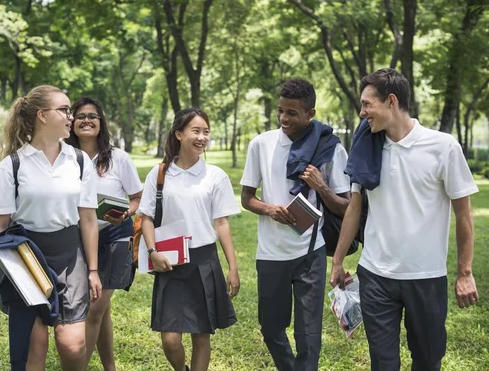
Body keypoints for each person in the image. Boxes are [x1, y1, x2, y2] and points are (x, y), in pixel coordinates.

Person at [330, 68, 480, 371]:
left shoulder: (443, 146)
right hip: (375, 276)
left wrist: (464, 272)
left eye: (367, 104)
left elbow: (463, 213)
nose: (362, 113)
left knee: (427, 360)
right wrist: (336, 261)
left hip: (425, 277)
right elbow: (354, 209)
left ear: (391, 101)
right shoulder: (366, 147)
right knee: (383, 364)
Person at [240, 78, 350, 371]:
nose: (283, 118)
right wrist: (269, 209)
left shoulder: (330, 148)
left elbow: (347, 206)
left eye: (292, 113)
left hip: (310, 252)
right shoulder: (261, 144)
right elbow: (247, 198)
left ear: (310, 114)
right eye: (280, 111)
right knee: (271, 329)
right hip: (271, 253)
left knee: (308, 334)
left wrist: (321, 186)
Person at [0, 85, 102, 371]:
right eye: (64, 110)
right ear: (41, 115)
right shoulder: (11, 166)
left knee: (73, 345)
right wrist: (17, 270)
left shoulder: (79, 161)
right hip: (26, 258)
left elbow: (88, 219)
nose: (71, 116)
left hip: (70, 256)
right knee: (34, 347)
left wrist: (92, 270)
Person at [137, 108, 240, 371]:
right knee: (170, 338)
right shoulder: (159, 174)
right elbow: (146, 217)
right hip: (169, 261)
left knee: (201, 332)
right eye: (196, 131)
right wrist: (152, 252)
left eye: (206, 132)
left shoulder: (216, 176)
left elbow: (222, 223)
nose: (202, 137)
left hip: (204, 260)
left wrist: (233, 268)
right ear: (179, 134)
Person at [66, 97, 143, 371]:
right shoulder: (63, 158)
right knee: (103, 310)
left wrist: (126, 212)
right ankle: (110, 367)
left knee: (95, 308)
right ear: (71, 123)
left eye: (92, 116)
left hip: (114, 238)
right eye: (80, 116)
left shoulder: (119, 158)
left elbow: (137, 197)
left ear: (101, 123)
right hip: (78, 239)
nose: (86, 120)